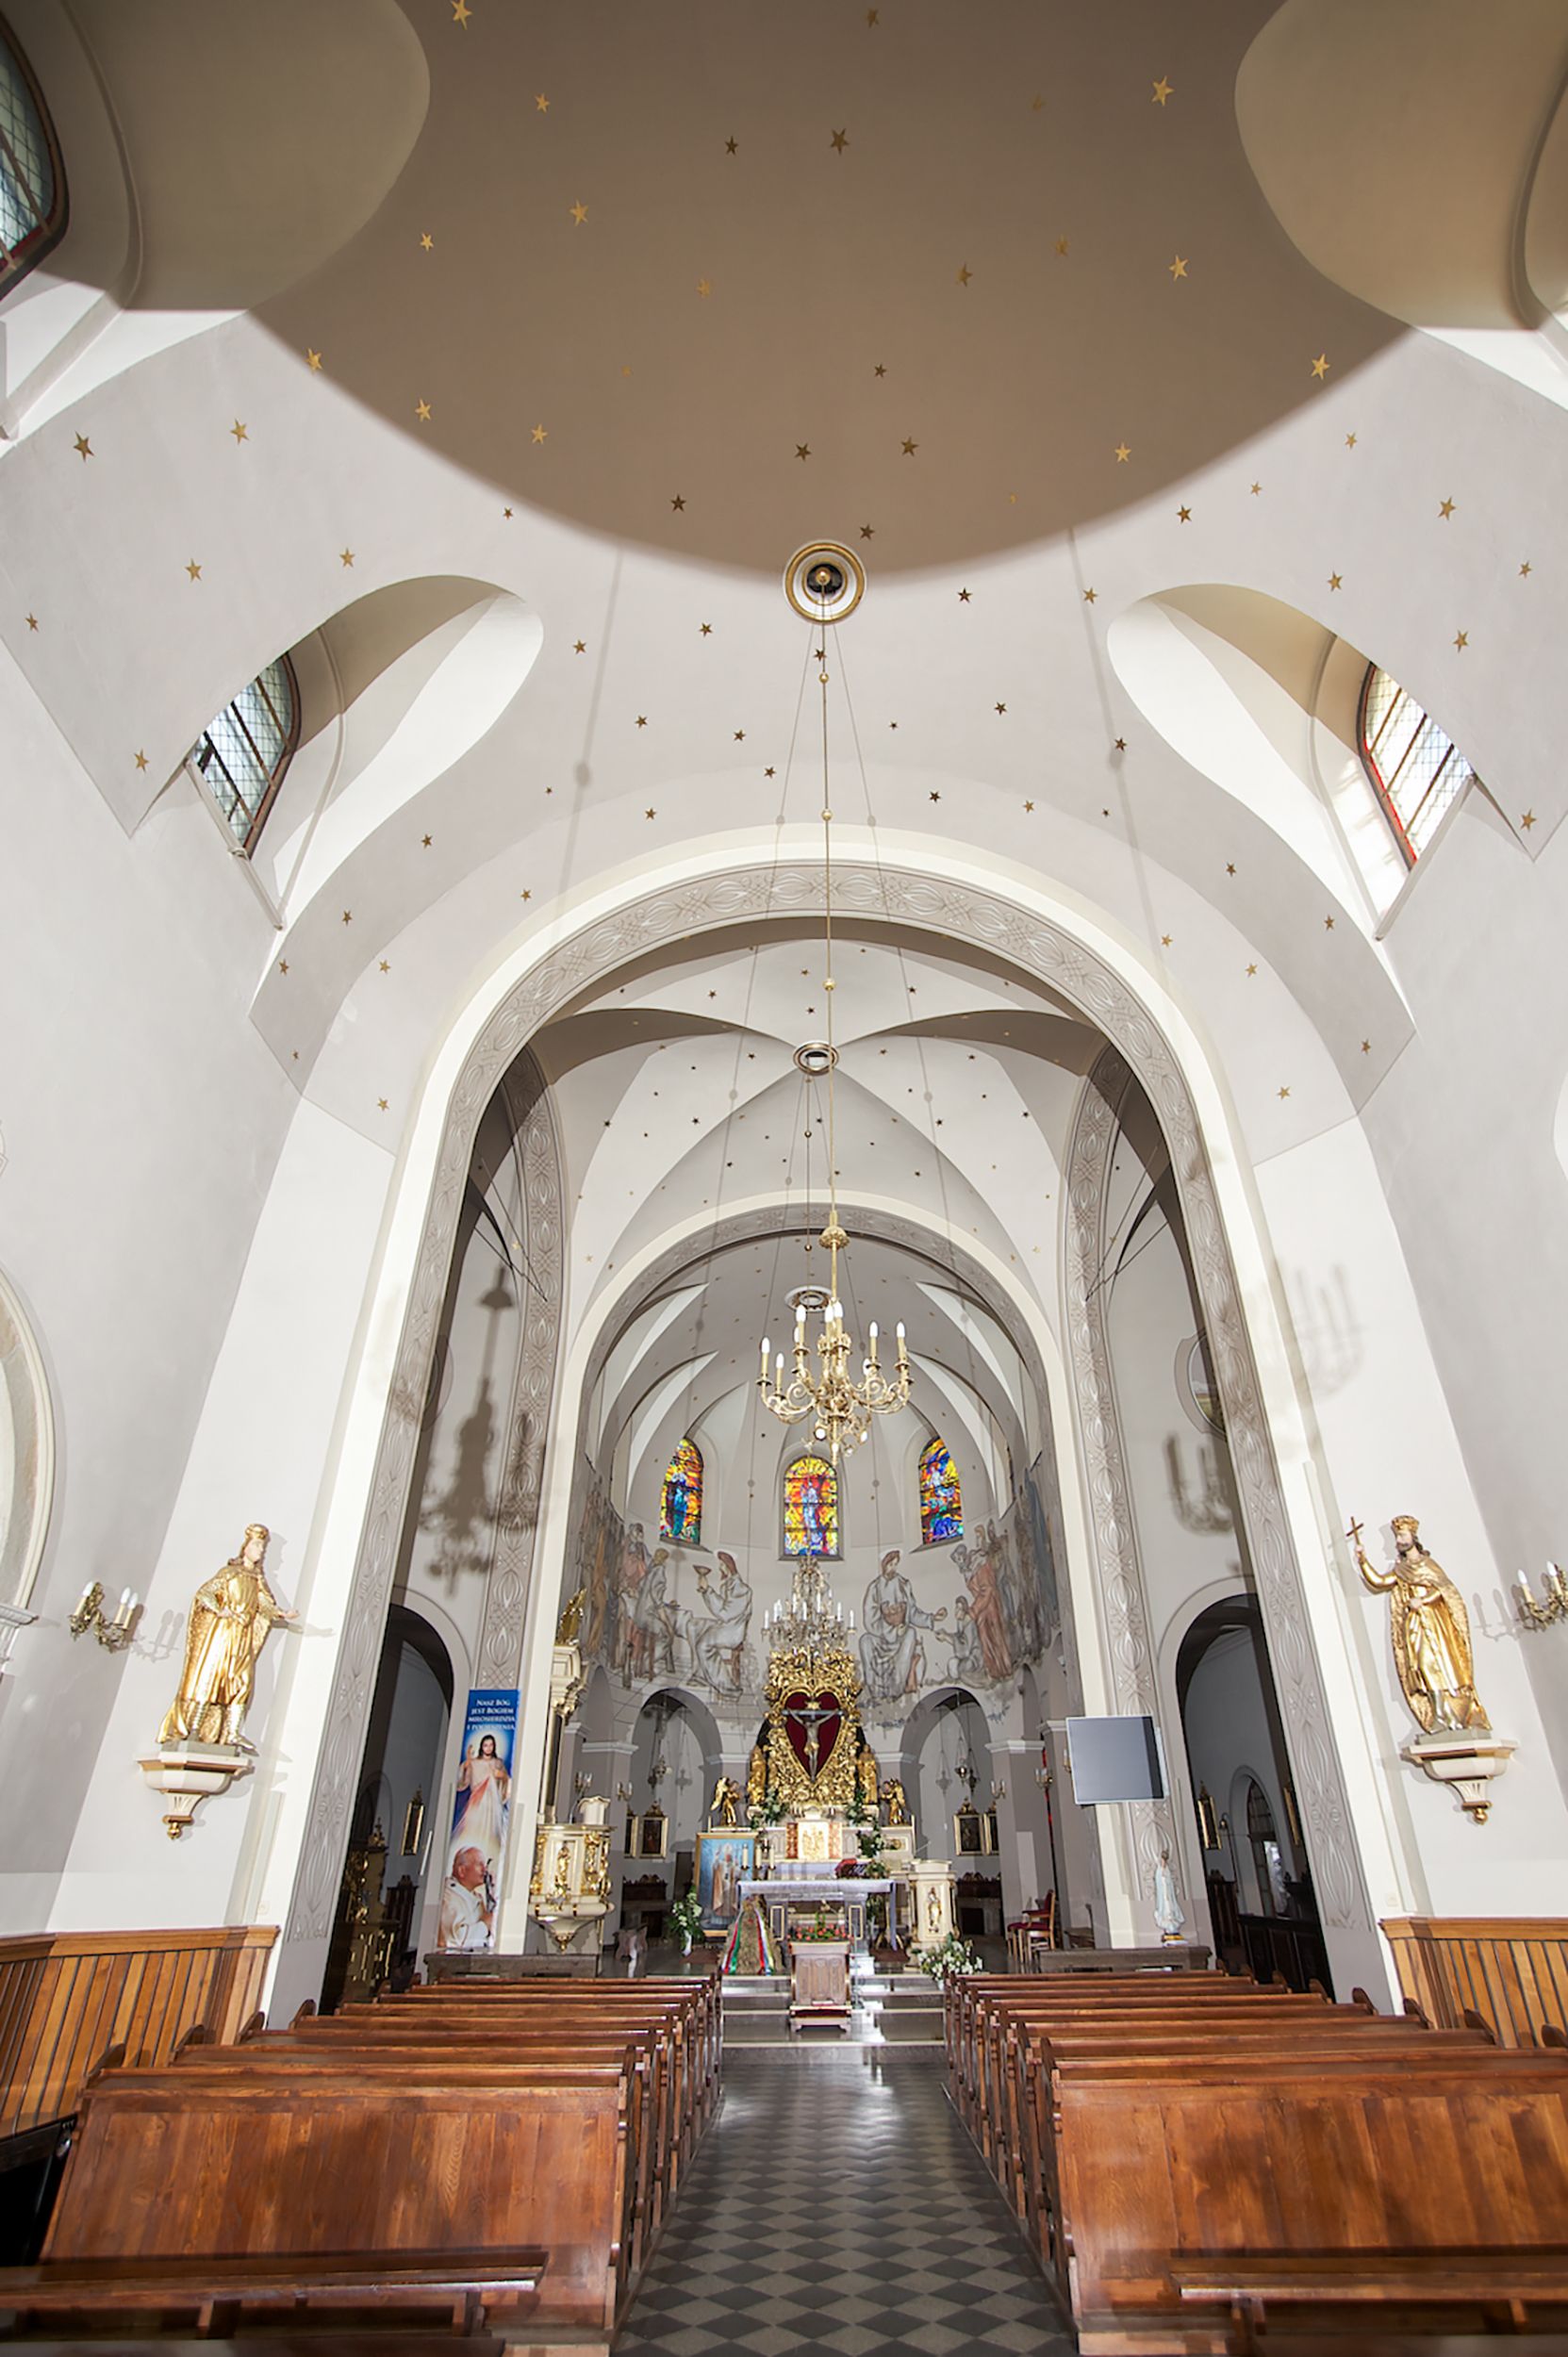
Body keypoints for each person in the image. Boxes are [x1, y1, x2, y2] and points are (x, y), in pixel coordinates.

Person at [158, 1524, 296, 1749]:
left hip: (242, 1636)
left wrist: (282, 1613)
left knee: (242, 1681)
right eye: (257, 1546)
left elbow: (263, 1604)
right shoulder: (230, 1573)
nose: (261, 1551)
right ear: (246, 1547)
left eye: (262, 1547)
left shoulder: (256, 1579)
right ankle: (194, 1729)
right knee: (212, 1677)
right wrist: (220, 1610)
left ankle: (232, 1732)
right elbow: (204, 1593)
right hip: (224, 1633)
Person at [1351, 1513, 1492, 1733]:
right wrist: (1362, 1560)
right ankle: (1439, 1715)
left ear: (1413, 1537)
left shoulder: (1428, 1564)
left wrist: (1423, 1601)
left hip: (1435, 1623)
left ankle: (1457, 1714)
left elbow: (1444, 1588)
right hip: (1415, 1625)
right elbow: (1379, 1581)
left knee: (1445, 1665)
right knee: (1424, 1667)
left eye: (1403, 1535)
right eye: (1397, 1537)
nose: (1399, 1540)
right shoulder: (1400, 1569)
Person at [859, 1549, 946, 1705]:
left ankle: (897, 1688)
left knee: (911, 1633)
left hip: (901, 1635)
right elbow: (870, 1620)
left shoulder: (904, 1585)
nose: (893, 1568)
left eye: (895, 1564)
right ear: (883, 1565)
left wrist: (932, 1618)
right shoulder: (874, 1588)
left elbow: (912, 1613)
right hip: (881, 1637)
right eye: (890, 1564)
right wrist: (891, 1631)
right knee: (865, 1640)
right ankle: (875, 1691)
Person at [692, 1552, 753, 1691]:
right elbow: (722, 1607)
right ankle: (702, 1675)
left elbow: (726, 1614)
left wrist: (708, 1592)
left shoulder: (741, 1589)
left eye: (722, 1565)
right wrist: (706, 1591)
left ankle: (726, 1685)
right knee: (698, 1627)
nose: (720, 1568)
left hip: (734, 1632)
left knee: (703, 1644)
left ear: (729, 1566)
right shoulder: (729, 1585)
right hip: (727, 1627)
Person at [450, 1731, 510, 1858]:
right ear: (482, 1747)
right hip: (476, 1802)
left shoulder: (498, 1763)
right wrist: (467, 1763)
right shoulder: (474, 1763)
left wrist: (503, 1776)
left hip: (491, 1806)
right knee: (472, 1830)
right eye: (486, 1745)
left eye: (491, 1745)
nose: (488, 1748)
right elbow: (463, 1782)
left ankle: (487, 1859)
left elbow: (506, 1783)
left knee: (490, 1834)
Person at [438, 1844, 494, 1950]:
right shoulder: (448, 1897)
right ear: (462, 1871)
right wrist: (484, 1925)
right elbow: (454, 1940)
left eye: (485, 1865)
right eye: (479, 1864)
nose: (485, 1870)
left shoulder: (477, 1897)